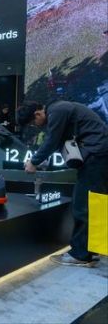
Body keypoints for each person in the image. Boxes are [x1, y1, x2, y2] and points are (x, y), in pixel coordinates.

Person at [18, 100, 108, 267]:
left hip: (96, 156)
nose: (35, 126)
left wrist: (34, 161)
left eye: (32, 123)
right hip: (99, 155)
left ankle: (80, 255)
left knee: (82, 206)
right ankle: (92, 250)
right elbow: (59, 142)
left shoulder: (57, 111)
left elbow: (52, 141)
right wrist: (42, 160)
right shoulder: (60, 109)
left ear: (38, 113)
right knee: (96, 204)